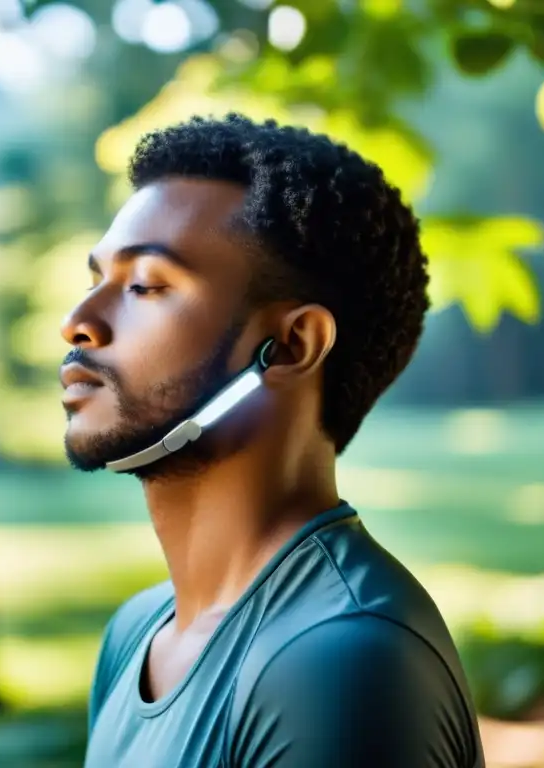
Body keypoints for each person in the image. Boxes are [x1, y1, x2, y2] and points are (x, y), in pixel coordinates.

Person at [59, 114, 484, 767]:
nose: (79, 323)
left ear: (290, 346)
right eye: (97, 282)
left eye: (144, 285)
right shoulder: (134, 636)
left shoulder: (342, 656)